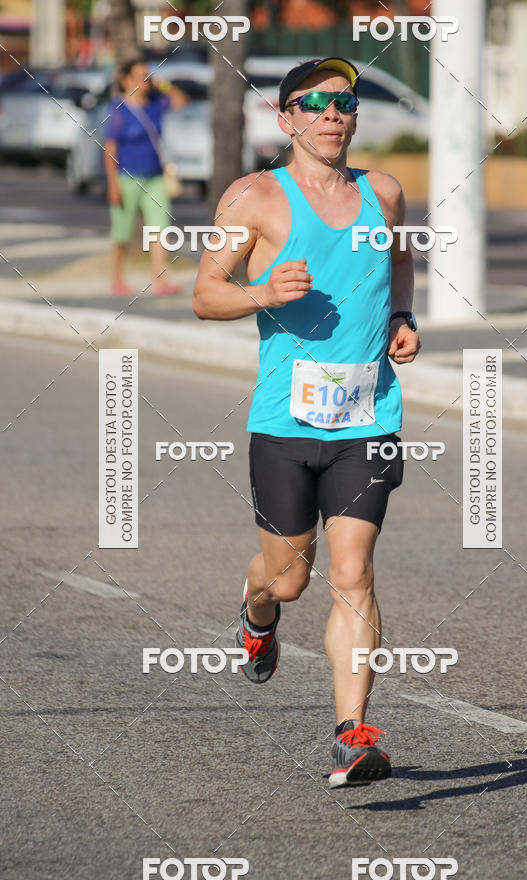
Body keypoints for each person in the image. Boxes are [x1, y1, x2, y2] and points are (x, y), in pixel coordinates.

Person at [193, 57, 421, 788]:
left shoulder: (383, 194)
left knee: (353, 570)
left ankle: (352, 735)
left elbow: (401, 261)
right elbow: (204, 294)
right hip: (285, 424)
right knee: (290, 580)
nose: (331, 113)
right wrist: (261, 292)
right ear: (286, 118)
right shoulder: (256, 198)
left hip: (368, 416)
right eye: (314, 102)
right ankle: (256, 615)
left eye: (344, 102)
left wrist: (402, 315)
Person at [104, 58, 187, 298]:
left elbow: (182, 101)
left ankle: (159, 278)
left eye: (147, 76)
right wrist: (112, 184)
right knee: (122, 229)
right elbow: (110, 148)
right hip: (126, 178)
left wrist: (163, 85)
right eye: (139, 76)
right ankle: (116, 277)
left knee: (160, 227)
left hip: (155, 176)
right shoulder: (118, 109)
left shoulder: (155, 103)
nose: (144, 81)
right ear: (125, 79)